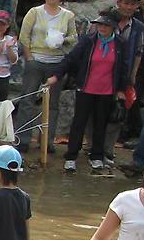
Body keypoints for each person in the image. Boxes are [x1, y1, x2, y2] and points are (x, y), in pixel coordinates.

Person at [47, 12, 131, 172]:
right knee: (79, 122)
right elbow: (71, 59)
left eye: (106, 25)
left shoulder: (120, 43)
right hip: (86, 88)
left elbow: (124, 68)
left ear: (113, 27)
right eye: (100, 24)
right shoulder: (88, 41)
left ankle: (97, 155)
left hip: (107, 90)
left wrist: (121, 89)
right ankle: (71, 156)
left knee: (101, 123)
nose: (102, 28)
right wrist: (56, 75)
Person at [16, 0, 76, 154]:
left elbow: (74, 37)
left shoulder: (68, 15)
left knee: (52, 105)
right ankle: (23, 139)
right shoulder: (34, 12)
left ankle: (47, 141)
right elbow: (24, 36)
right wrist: (29, 58)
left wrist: (62, 39)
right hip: (36, 60)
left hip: (56, 63)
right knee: (27, 100)